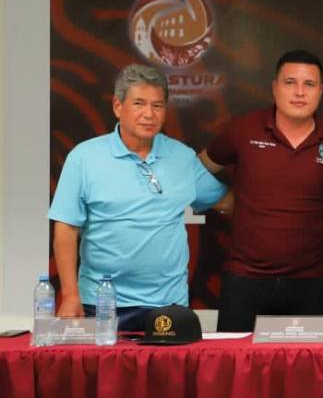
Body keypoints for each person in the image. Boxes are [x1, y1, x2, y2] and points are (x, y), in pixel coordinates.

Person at [48, 64, 227, 331]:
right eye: (139, 103)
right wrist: (70, 296)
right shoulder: (84, 158)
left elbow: (225, 201)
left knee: (172, 362)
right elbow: (65, 228)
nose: (149, 114)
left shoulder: (181, 156)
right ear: (118, 106)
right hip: (101, 302)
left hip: (169, 303)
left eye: (157, 105)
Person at [199, 50, 323, 332]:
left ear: (320, 91)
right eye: (290, 82)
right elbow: (197, 170)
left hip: (312, 282)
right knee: (236, 359)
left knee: (308, 361)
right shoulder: (242, 130)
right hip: (245, 280)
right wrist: (221, 199)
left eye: (309, 84)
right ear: (275, 88)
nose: (299, 92)